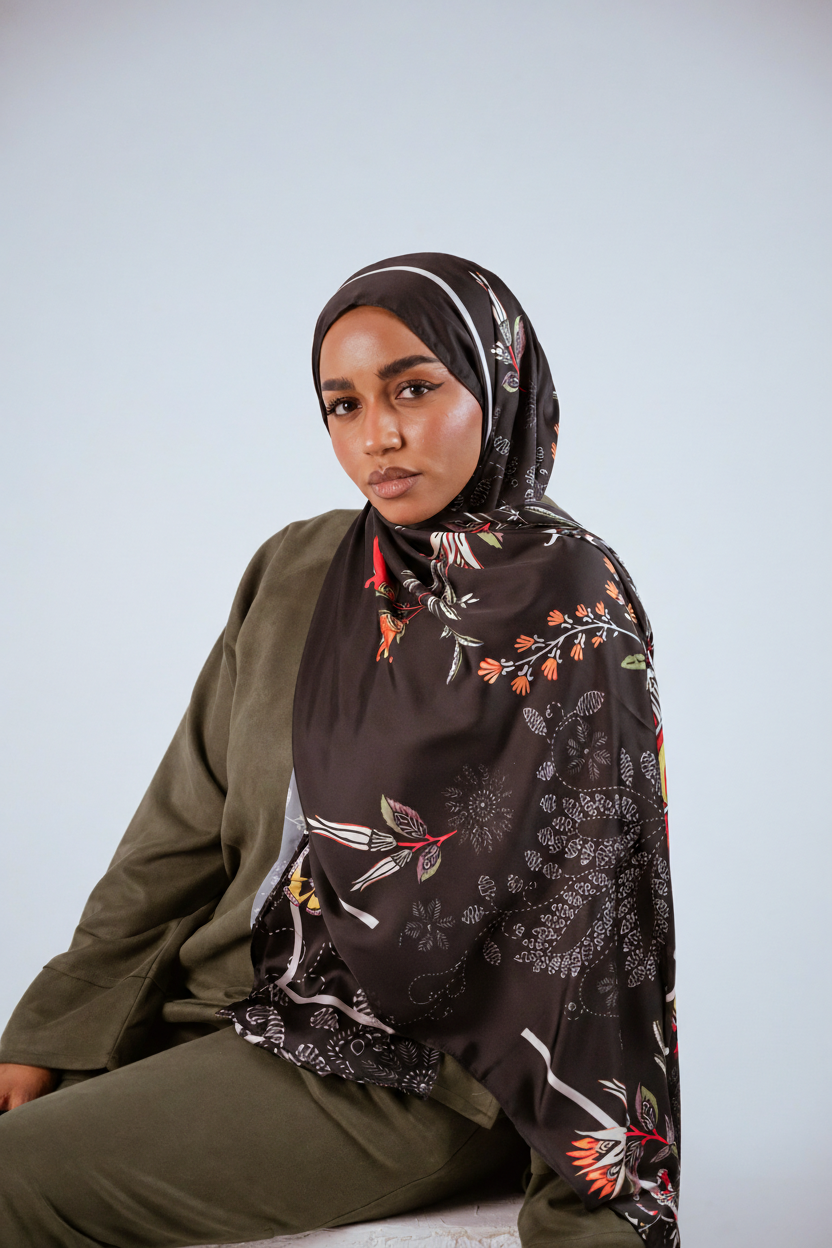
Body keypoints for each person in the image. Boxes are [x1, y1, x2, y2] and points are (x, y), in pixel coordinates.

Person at [0, 254, 680, 1247]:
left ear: (496, 383)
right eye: (343, 405)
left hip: (412, 1072)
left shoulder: (565, 596)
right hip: (220, 1008)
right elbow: (178, 835)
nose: (380, 437)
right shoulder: (299, 566)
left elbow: (596, 911)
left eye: (414, 388)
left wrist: (589, 1205)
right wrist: (53, 1027)